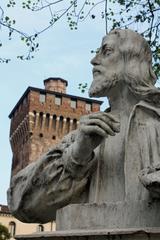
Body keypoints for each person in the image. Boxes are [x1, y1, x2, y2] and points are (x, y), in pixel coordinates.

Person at [8, 29, 160, 224]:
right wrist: (76, 157)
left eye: (106, 51)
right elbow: (19, 203)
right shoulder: (83, 138)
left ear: (131, 62)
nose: (94, 60)